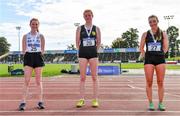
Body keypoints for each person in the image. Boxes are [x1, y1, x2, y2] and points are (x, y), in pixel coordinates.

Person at [139, 15, 168, 111]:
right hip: (149, 60)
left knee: (160, 82)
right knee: (149, 82)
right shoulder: (145, 34)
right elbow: (141, 47)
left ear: (157, 21)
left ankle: (160, 103)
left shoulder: (163, 33)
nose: (152, 23)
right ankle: (150, 103)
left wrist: (160, 54)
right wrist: (145, 55)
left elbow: (165, 47)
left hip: (160, 60)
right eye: (150, 22)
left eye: (154, 21)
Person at [75, 9, 101, 108]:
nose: (87, 17)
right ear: (83, 17)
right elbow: (77, 42)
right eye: (85, 15)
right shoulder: (79, 28)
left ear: (92, 16)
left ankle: (95, 99)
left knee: (94, 77)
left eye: (89, 15)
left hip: (93, 54)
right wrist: (80, 51)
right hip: (82, 54)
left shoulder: (96, 28)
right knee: (82, 78)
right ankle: (81, 99)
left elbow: (99, 42)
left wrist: (95, 50)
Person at [18, 18, 45, 111]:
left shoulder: (41, 36)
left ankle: (40, 101)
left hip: (38, 57)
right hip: (28, 57)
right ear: (30, 25)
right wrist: (25, 51)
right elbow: (23, 50)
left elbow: (43, 50)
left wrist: (39, 51)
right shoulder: (25, 36)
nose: (34, 26)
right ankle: (23, 102)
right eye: (33, 24)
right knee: (27, 80)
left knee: (38, 81)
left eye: (36, 24)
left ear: (38, 25)